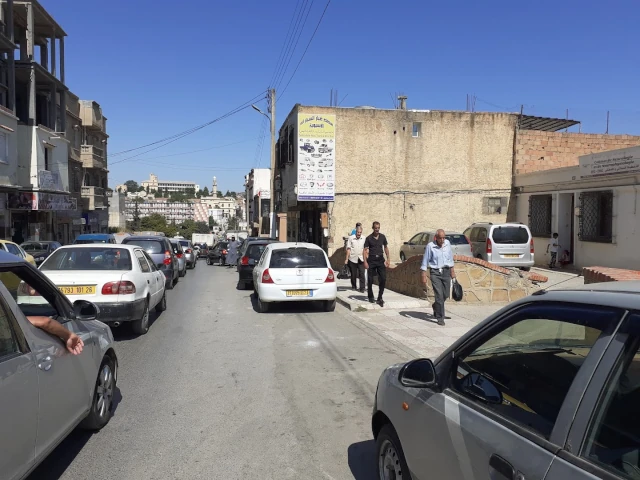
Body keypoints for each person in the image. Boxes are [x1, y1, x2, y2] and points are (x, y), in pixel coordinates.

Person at [420, 229, 456, 326]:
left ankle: (436, 306)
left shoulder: (447, 243)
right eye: (440, 238)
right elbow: (425, 260)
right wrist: (423, 274)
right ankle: (440, 317)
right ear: (436, 237)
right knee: (439, 295)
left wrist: (452, 272)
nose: (442, 240)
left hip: (446, 271)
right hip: (435, 272)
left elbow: (450, 258)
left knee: (446, 294)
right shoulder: (430, 246)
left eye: (444, 237)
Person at [363, 221, 390, 307]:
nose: (377, 230)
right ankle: (370, 296)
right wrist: (365, 261)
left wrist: (388, 259)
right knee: (370, 279)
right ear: (373, 228)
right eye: (375, 228)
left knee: (383, 278)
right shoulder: (369, 238)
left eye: (378, 228)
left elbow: (386, 247)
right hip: (372, 260)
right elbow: (365, 250)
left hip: (380, 260)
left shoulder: (382, 237)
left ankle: (380, 297)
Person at [344, 225, 366, 292]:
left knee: (362, 273)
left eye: (360, 232)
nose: (359, 234)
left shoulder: (364, 238)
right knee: (353, 274)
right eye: (358, 232)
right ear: (356, 232)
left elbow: (365, 249)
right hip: (352, 258)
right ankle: (354, 286)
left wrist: (366, 258)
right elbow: (348, 249)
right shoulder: (351, 238)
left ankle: (362, 288)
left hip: (361, 258)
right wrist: (346, 259)